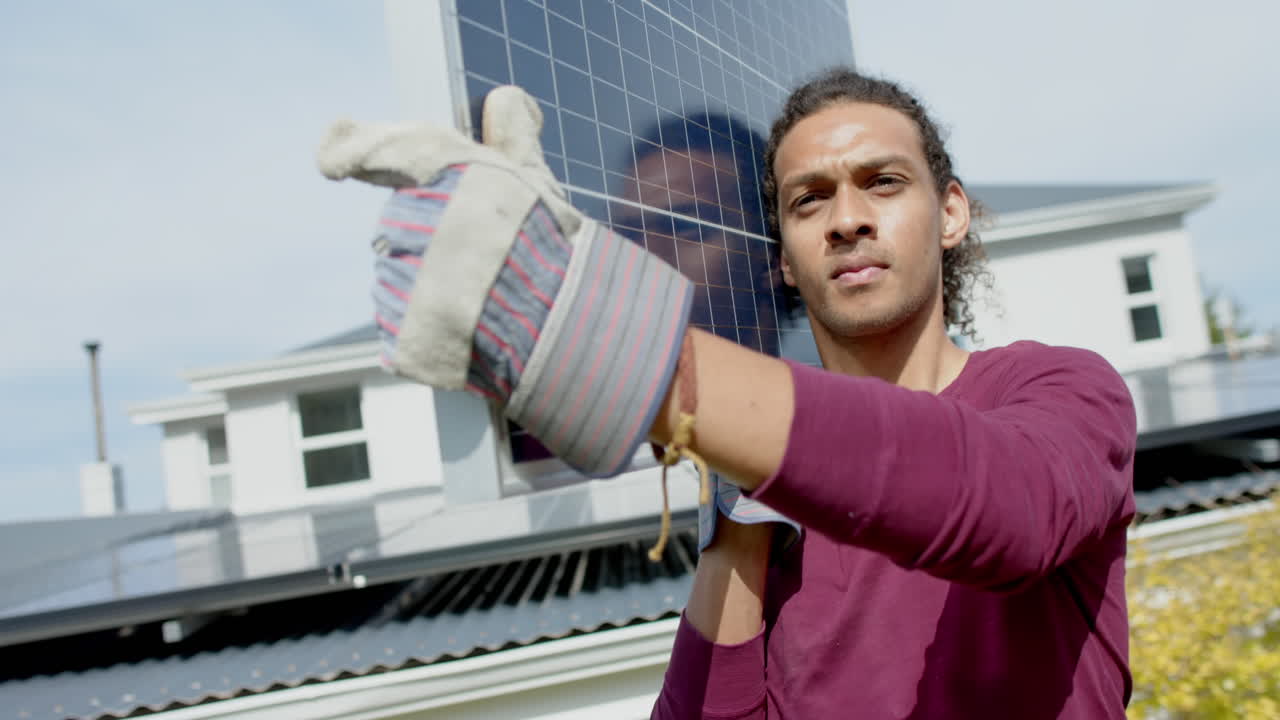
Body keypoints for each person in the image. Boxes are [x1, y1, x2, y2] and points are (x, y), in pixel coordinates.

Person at [317, 67, 1136, 719]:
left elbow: (1007, 508)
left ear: (951, 213)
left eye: (882, 182)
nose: (846, 219)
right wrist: (737, 516)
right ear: (781, 256)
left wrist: (605, 343)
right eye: (808, 200)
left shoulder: (1060, 390)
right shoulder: (762, 504)